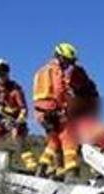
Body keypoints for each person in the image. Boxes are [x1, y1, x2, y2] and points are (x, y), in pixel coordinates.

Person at [32, 42, 95, 180]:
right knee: (68, 137)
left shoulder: (42, 71)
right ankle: (71, 172)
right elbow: (58, 92)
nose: (69, 65)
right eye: (67, 61)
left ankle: (42, 168)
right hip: (51, 111)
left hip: (42, 112)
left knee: (54, 140)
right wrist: (63, 109)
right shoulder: (55, 72)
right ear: (59, 57)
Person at [0, 59, 37, 170]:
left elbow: (24, 108)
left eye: (4, 73)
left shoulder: (15, 89)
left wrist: (20, 119)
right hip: (1, 120)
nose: (2, 76)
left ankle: (32, 166)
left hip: (15, 120)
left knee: (19, 139)